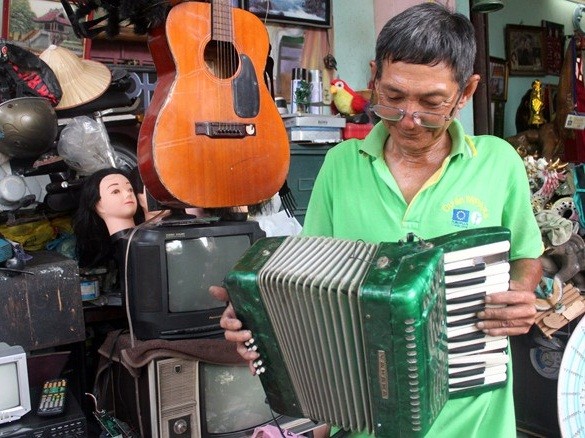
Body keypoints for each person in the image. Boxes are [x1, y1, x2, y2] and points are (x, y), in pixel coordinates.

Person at [211, 3, 543, 437]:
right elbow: (306, 282)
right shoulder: (339, 165)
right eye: (393, 97)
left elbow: (526, 255)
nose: (409, 119)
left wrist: (520, 295)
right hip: (364, 414)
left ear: (466, 92)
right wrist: (258, 318)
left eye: (432, 103)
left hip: (474, 417)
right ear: (373, 78)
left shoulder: (499, 163)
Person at [73, 167, 140, 268]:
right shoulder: (118, 254)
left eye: (130, 189)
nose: (128, 194)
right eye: (115, 191)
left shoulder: (145, 239)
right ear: (98, 205)